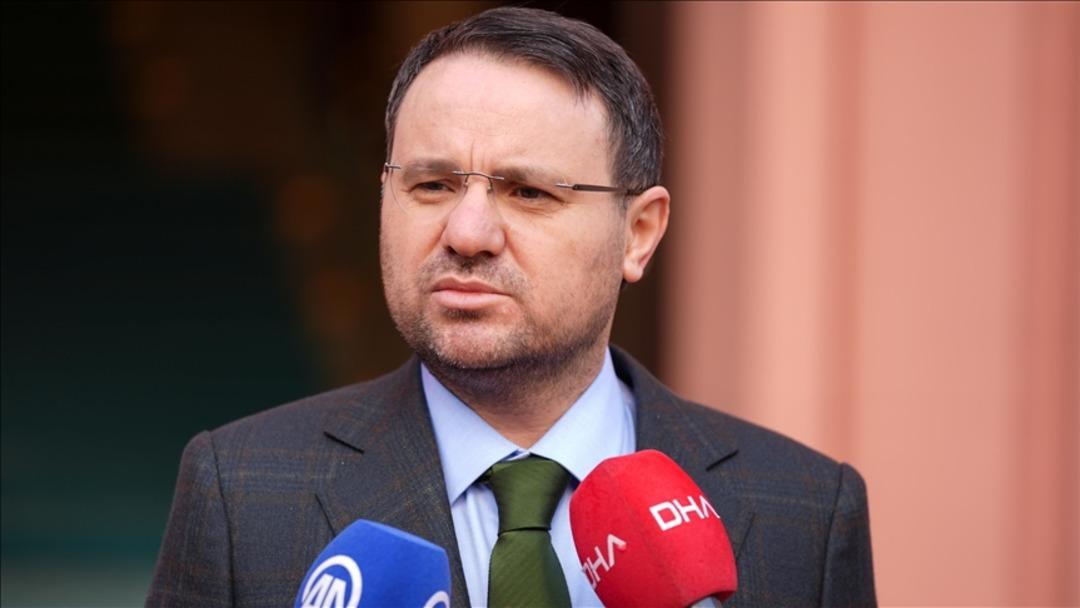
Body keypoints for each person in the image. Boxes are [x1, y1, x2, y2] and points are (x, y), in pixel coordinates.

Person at [146, 7, 876, 607]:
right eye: (431, 185)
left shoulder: (804, 512)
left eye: (528, 192)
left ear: (638, 233)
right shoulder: (240, 494)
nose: (466, 233)